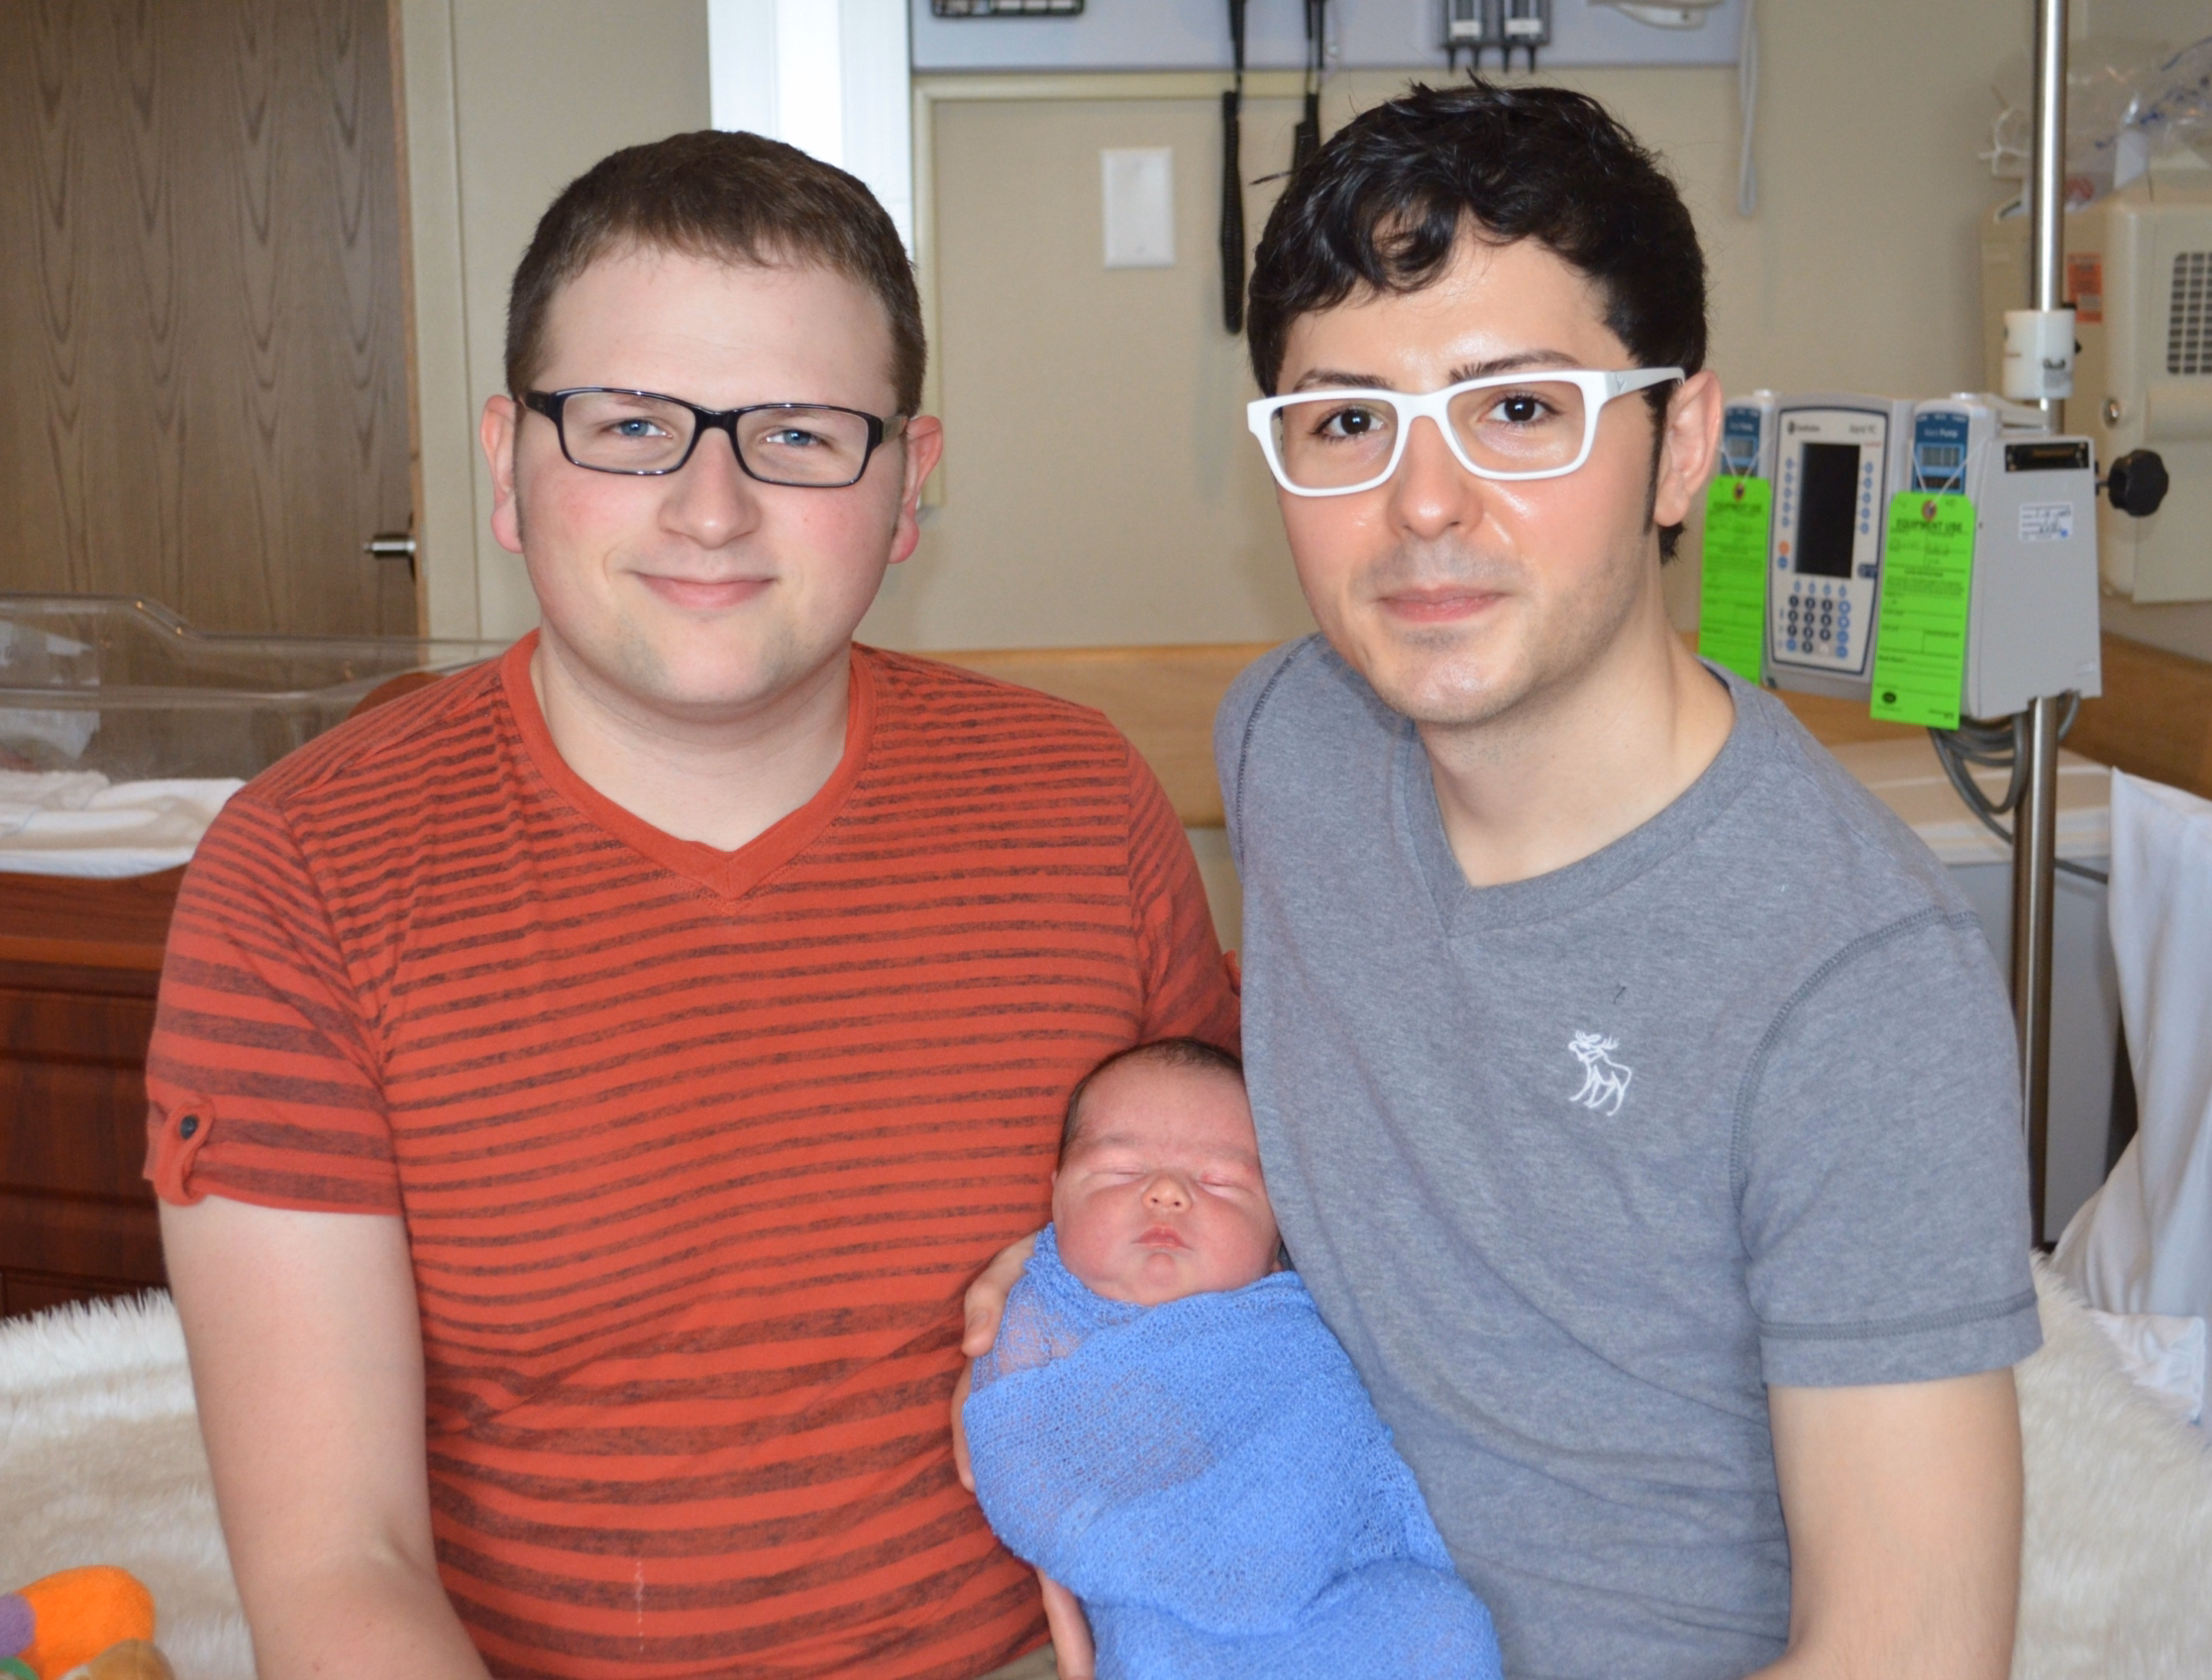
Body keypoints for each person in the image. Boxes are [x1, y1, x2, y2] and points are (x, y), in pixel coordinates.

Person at [966, 81, 2038, 1680]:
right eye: (1347, 421)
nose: (1422, 506)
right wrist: (1076, 1293)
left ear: (1682, 446)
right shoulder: (1291, 747)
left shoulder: (1856, 976)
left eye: (1517, 408)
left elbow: (1913, 1649)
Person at [147, 131, 1235, 1680]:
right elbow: (341, 1569)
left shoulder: (1082, 806)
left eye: (799, 434)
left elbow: (1267, 1285)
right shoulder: (303, 876)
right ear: (510, 468)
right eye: (631, 425)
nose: (711, 507)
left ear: (908, 485)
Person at [963, 1041, 1503, 1680]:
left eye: (1218, 1181)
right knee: (1159, 1657)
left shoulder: (1286, 1305)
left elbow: (1331, 1444)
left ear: (1279, 1234)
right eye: (1120, 1171)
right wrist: (1110, 1543)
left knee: (1441, 1624)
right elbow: (1009, 1448)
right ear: (1055, 1198)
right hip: (1162, 1595)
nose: (1166, 1192)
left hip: (1335, 1575)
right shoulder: (1043, 1307)